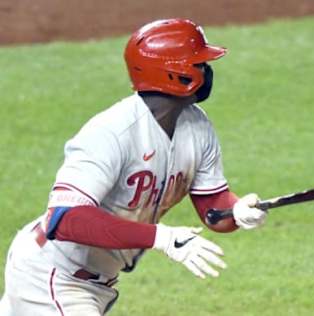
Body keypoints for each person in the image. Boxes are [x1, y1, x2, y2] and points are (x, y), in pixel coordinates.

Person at [0, 18, 267, 315]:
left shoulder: (198, 127)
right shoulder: (111, 132)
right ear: (175, 73)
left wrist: (238, 210)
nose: (207, 72)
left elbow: (214, 211)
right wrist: (162, 237)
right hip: (50, 276)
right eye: (199, 64)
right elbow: (64, 219)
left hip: (93, 283)